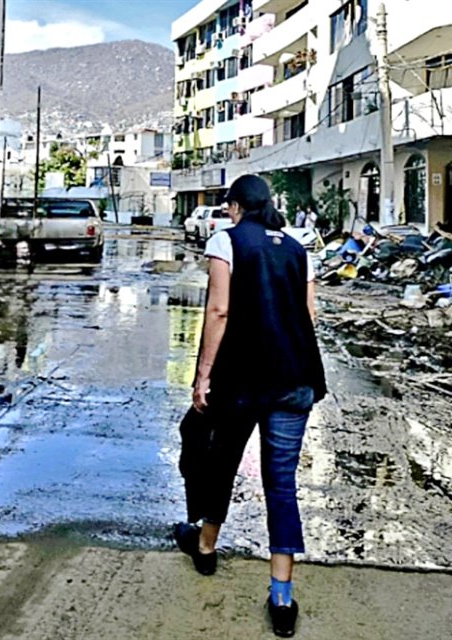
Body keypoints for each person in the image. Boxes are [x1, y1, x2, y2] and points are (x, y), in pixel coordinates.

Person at [174, 174, 326, 638]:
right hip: (294, 378)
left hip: (242, 381)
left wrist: (202, 377)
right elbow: (309, 313)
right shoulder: (299, 245)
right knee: (281, 483)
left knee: (222, 463)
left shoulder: (227, 241)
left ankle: (205, 547)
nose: (229, 214)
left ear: (238, 206)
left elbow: (218, 312)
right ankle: (282, 595)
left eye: (230, 207)